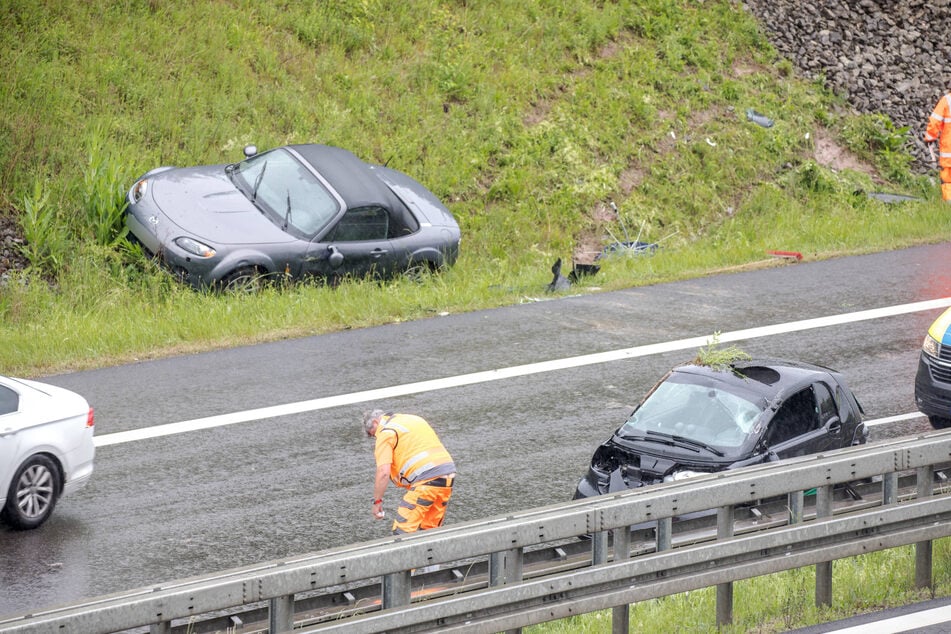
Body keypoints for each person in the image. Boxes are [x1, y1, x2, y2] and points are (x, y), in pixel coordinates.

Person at [363, 409, 456, 534]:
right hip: (447, 477)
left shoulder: (386, 433)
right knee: (430, 532)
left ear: (375, 422)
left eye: (372, 434)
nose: (375, 437)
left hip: (426, 482)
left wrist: (377, 502)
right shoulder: (414, 418)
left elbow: (383, 472)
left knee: (402, 533)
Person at [925, 92, 951, 202]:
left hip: (949, 151)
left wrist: (930, 137)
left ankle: (949, 205)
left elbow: (935, 120)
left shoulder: (947, 100)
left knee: (948, 179)